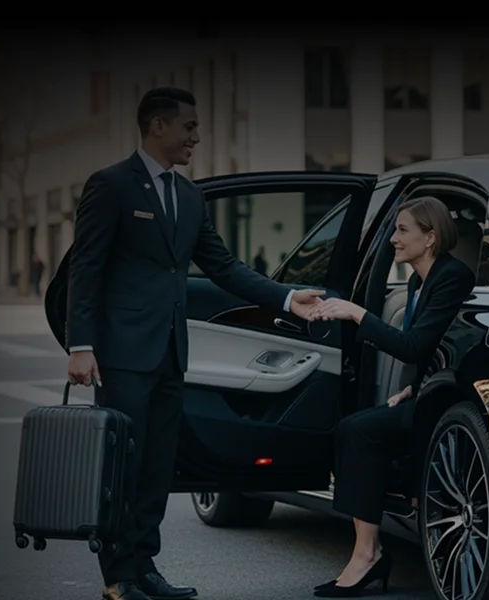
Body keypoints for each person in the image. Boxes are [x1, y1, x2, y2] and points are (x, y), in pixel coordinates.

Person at [65, 86, 326, 600]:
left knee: (158, 465)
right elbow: (86, 268)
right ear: (156, 126)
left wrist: (288, 297)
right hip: (122, 355)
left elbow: (224, 267)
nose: (197, 137)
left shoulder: (190, 195)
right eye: (189, 127)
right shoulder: (111, 185)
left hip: (172, 354)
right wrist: (81, 344)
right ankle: (119, 577)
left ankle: (146, 568)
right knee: (125, 465)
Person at [304, 196, 477, 597]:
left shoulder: (453, 277)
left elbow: (415, 345)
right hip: (427, 394)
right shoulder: (420, 280)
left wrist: (357, 313)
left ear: (430, 237)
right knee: (354, 428)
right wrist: (412, 389)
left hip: (449, 407)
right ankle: (368, 551)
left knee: (360, 431)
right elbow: (433, 349)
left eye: (402, 231)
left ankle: (367, 555)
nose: (393, 240)